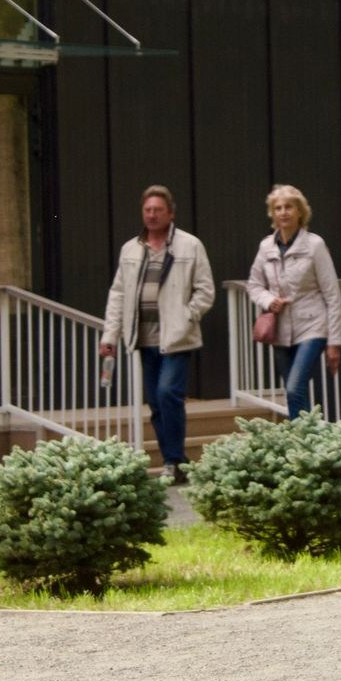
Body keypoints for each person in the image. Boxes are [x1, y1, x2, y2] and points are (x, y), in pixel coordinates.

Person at [99, 185, 214, 480]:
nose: (152, 215)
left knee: (168, 393)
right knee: (156, 402)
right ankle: (173, 462)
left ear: (170, 213)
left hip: (176, 337)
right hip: (144, 338)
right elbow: (118, 294)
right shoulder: (131, 249)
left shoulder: (190, 245)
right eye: (147, 210)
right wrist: (110, 336)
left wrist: (187, 316)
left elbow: (205, 290)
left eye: (158, 210)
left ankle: (174, 460)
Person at [246, 183, 341, 419]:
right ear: (273, 214)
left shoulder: (314, 245)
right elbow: (254, 285)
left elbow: (332, 294)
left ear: (300, 211)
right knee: (291, 393)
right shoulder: (266, 246)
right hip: (280, 329)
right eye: (278, 208)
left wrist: (334, 342)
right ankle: (306, 444)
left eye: (289, 207)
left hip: (312, 325)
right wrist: (269, 301)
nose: (283, 212)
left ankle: (309, 443)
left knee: (294, 387)